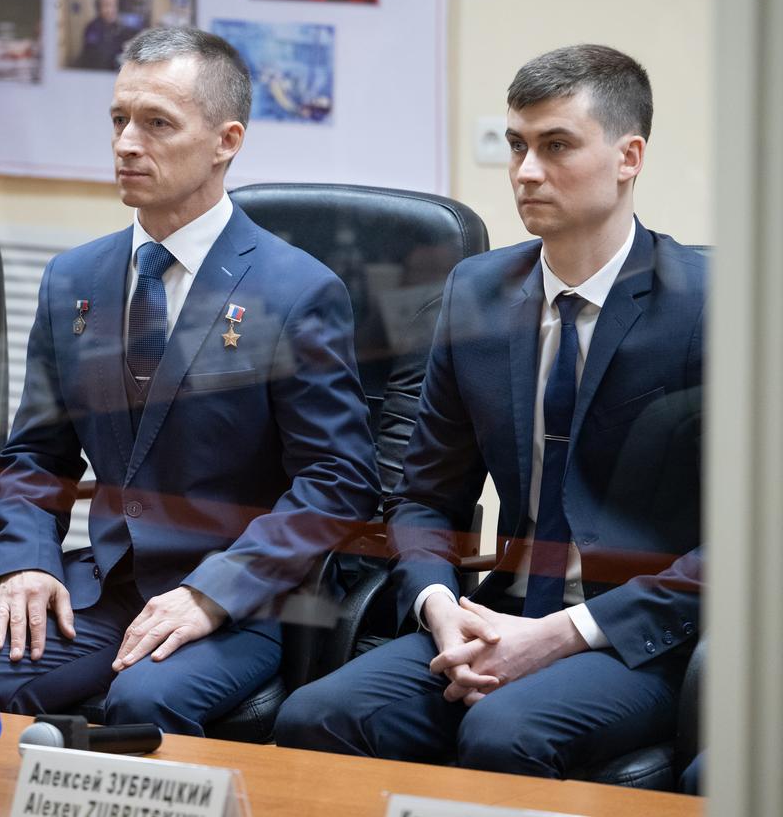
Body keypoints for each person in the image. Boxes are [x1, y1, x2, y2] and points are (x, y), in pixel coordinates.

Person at [276, 44, 705, 777]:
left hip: (637, 635)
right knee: (314, 716)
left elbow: (745, 546)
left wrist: (566, 632)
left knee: (503, 733)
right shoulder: (475, 292)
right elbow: (422, 499)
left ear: (629, 155)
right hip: (491, 613)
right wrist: (442, 609)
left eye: (556, 145)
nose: (526, 171)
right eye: (516, 145)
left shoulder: (705, 303)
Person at [0, 26, 380, 735]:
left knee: (141, 705)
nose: (128, 142)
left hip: (243, 596)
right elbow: (35, 457)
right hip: (104, 585)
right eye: (119, 119)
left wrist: (213, 591)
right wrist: (26, 562)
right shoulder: (73, 278)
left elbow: (337, 482)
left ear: (227, 140)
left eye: (157, 123)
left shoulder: (295, 289)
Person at [76, 0, 137, 71]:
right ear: (98, 7)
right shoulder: (91, 29)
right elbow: (97, 57)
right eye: (106, 5)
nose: (111, 10)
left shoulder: (120, 27)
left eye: (114, 5)